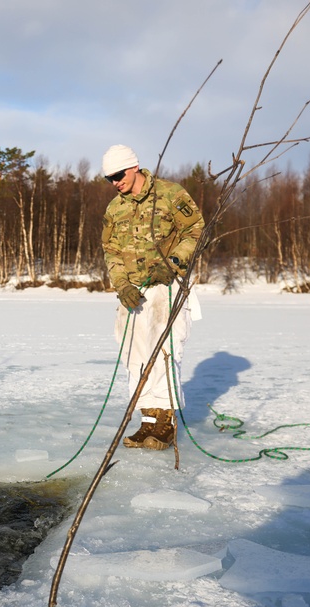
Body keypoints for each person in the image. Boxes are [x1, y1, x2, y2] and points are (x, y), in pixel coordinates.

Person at [100, 144, 205, 451]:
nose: (115, 182)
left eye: (118, 175)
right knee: (135, 356)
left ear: (133, 168)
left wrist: (173, 265)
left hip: (165, 288)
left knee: (165, 351)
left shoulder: (170, 194)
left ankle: (165, 424)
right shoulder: (114, 209)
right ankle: (148, 420)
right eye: (109, 178)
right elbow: (111, 251)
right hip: (133, 293)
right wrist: (121, 285)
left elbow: (197, 230)